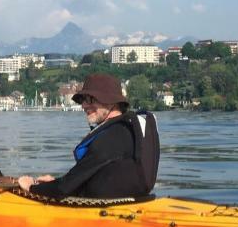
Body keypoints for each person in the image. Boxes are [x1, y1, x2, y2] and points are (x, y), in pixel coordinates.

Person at [17, 73, 153, 199]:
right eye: (83, 100)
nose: (84, 105)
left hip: (107, 212)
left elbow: (63, 189)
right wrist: (53, 183)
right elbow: (83, 179)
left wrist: (32, 187)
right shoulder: (123, 130)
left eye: (90, 99)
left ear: (111, 102)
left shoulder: (110, 138)